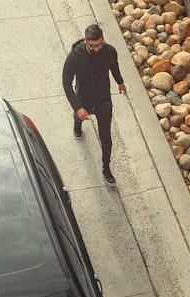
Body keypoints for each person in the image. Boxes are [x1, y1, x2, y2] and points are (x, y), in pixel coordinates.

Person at [62, 24, 126, 186]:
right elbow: (66, 84)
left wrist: (120, 82)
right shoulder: (74, 57)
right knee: (80, 117)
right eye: (93, 46)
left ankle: (106, 167)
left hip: (103, 98)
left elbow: (114, 66)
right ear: (85, 41)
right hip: (84, 98)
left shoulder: (109, 51)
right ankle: (77, 125)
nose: (97, 49)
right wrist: (78, 108)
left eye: (100, 44)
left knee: (106, 136)